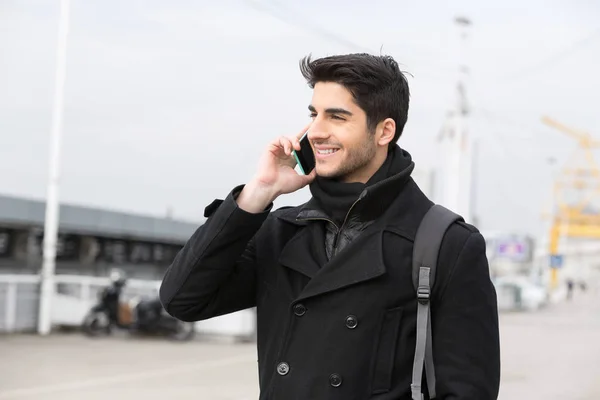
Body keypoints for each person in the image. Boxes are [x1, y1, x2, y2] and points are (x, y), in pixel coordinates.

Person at [159, 53, 500, 399]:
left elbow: (467, 391)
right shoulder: (281, 231)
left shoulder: (445, 244)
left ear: (384, 131)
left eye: (337, 117)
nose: (317, 131)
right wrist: (259, 192)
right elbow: (183, 300)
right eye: (314, 114)